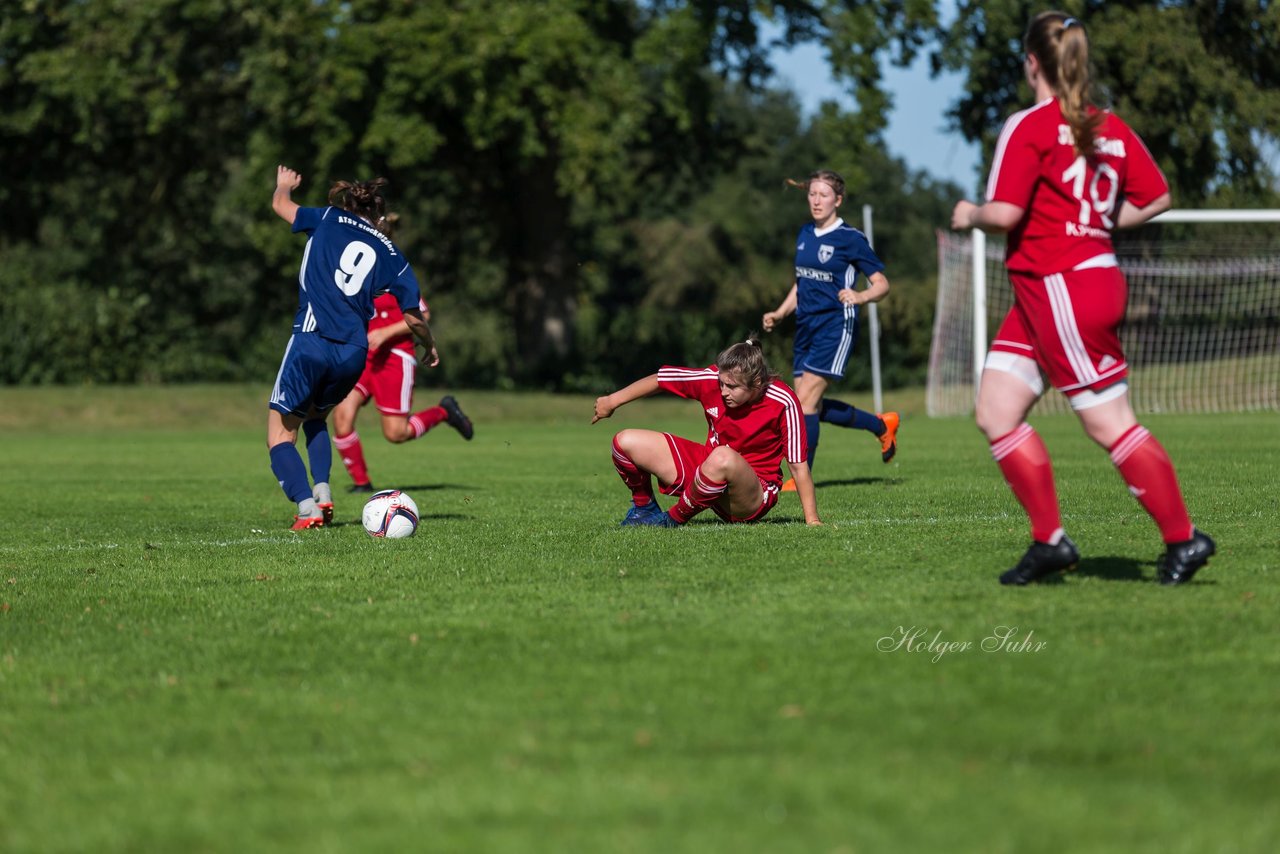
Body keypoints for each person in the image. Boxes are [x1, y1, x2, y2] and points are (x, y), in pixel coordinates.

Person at [950, 11, 1214, 585]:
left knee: (1109, 422)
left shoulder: (1031, 124)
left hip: (1062, 287)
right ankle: (1050, 543)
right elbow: (1158, 195)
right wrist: (1096, 224)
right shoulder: (1108, 127)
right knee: (995, 409)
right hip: (1049, 290)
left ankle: (1184, 539)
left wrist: (968, 213)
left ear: (1031, 63)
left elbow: (1005, 214)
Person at [267, 165, 438, 530]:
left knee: (280, 434)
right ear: (378, 215)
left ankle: (306, 507)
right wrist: (429, 343)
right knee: (316, 417)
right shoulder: (392, 252)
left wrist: (283, 186)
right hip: (353, 353)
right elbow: (413, 317)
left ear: (346, 203)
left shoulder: (327, 217)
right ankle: (324, 493)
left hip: (312, 337)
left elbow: (281, 205)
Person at [762, 169, 899, 492]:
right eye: (812, 194)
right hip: (805, 325)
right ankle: (881, 424)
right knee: (808, 405)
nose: (816, 200)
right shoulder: (805, 233)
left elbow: (882, 284)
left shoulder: (850, 238)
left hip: (836, 325)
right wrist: (780, 312)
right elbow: (802, 282)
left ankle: (801, 476)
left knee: (805, 402)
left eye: (823, 195)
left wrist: (861, 295)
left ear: (838, 199)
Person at [592, 336, 821, 528]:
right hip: (710, 473)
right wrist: (612, 401)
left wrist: (812, 520)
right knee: (625, 441)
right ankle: (643, 510)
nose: (723, 391)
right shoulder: (712, 379)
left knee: (722, 457)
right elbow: (661, 379)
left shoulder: (783, 400)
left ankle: (671, 520)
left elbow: (798, 466)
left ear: (757, 383)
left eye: (732, 387)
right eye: (722, 383)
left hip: (752, 495)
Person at [331, 214, 473, 494]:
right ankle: (362, 483)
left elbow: (424, 313)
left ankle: (444, 411)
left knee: (396, 433)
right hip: (364, 357)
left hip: (395, 357)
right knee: (341, 417)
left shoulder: (394, 266)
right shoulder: (355, 269)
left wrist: (386, 332)